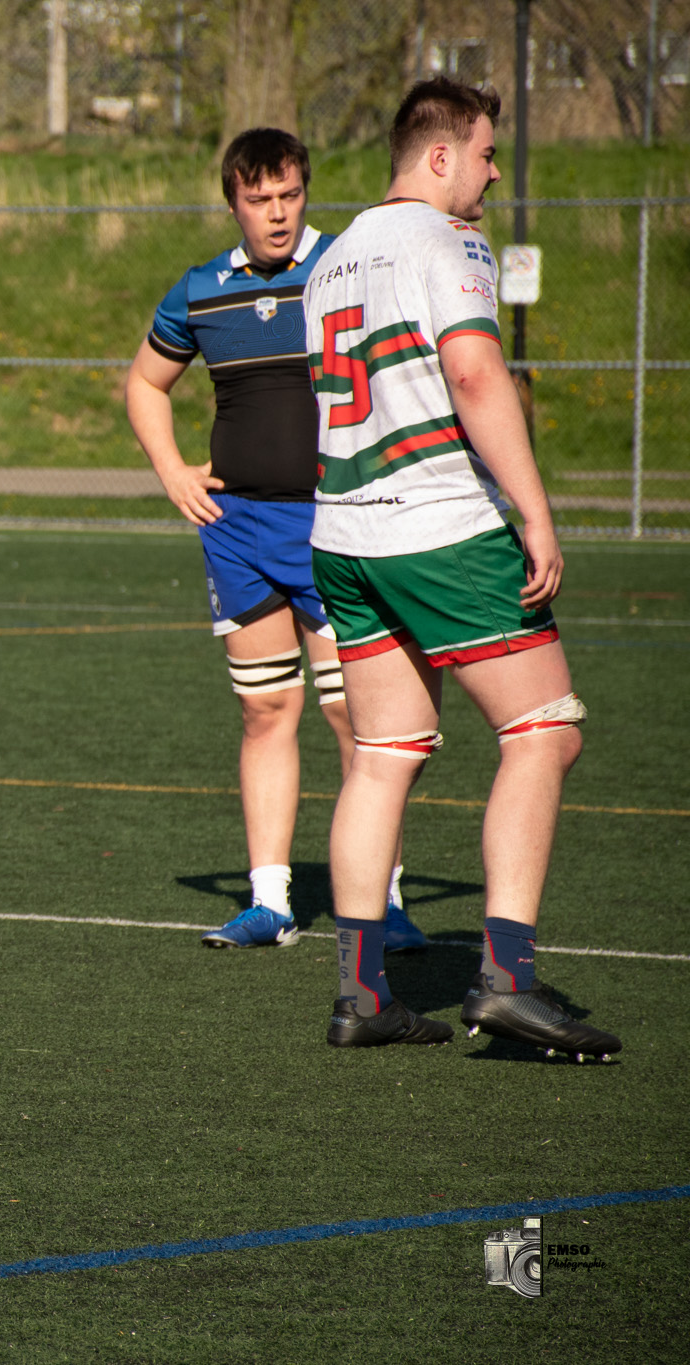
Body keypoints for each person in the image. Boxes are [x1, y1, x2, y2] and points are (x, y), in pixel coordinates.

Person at [304, 77, 617, 1057]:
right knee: (540, 733)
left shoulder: (332, 254)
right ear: (438, 155)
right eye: (484, 154)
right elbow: (474, 373)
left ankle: (360, 995)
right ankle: (505, 981)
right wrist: (533, 514)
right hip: (438, 527)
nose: (489, 174)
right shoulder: (445, 243)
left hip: (343, 532)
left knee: (381, 754)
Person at [126, 129, 423, 952]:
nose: (278, 213)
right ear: (234, 203)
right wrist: (173, 471)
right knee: (265, 709)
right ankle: (271, 901)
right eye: (260, 200)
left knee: (355, 719)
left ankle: (385, 902)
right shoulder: (202, 290)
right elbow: (146, 383)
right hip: (237, 530)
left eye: (290, 195)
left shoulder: (346, 269)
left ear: (306, 192)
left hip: (336, 526)